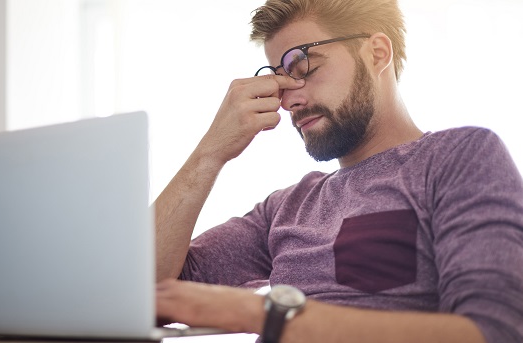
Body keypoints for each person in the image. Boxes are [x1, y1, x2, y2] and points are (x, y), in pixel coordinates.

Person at [153, 0, 523, 342]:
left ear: (377, 53)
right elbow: (143, 292)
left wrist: (265, 315)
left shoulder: (457, 158)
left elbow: (495, 331)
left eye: (304, 68)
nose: (288, 99)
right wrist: (210, 153)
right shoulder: (283, 209)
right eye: (280, 79)